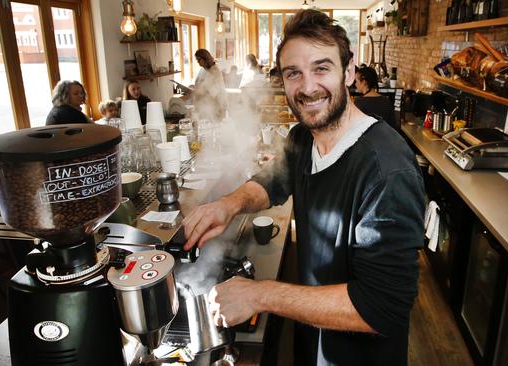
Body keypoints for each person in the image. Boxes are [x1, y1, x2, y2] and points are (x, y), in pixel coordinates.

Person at [182, 9, 425, 366]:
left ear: (350, 71)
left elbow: (380, 309)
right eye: (294, 73)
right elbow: (275, 180)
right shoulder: (302, 138)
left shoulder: (386, 173)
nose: (308, 87)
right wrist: (229, 205)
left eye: (321, 68)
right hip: (315, 339)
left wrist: (260, 295)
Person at [353, 66, 397, 131]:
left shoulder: (359, 102)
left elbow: (355, 131)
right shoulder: (386, 101)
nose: (355, 84)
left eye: (356, 81)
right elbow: (393, 128)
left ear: (364, 81)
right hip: (385, 140)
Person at [193, 49, 227, 121]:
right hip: (205, 107)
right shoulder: (203, 69)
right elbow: (199, 83)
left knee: (214, 129)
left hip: (216, 107)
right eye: (197, 60)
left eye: (199, 59)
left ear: (205, 58)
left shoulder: (215, 71)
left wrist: (198, 92)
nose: (198, 62)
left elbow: (212, 92)